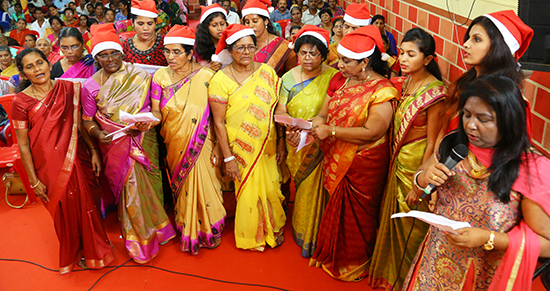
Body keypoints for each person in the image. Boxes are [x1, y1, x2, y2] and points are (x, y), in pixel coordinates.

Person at [403, 75, 550, 291]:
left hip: (484, 274)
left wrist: (488, 238)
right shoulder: (454, 144)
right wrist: (424, 178)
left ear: (508, 120)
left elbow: (546, 245)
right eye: (467, 114)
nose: (471, 125)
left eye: (483, 119)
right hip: (434, 262)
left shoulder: (529, 170)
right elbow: (419, 185)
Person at [12, 47, 114, 274]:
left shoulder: (69, 89)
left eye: (39, 63)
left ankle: (94, 250)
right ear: (23, 73)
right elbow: (23, 145)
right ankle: (74, 253)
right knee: (64, 209)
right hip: (48, 165)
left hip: (78, 156)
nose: (37, 69)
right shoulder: (20, 102)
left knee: (88, 203)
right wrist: (34, 181)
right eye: (29, 67)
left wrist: (93, 151)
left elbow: (79, 123)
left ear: (49, 64)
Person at [308, 25, 397, 281]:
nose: (340, 65)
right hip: (337, 157)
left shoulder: (382, 90)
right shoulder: (343, 80)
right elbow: (323, 114)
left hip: (364, 163)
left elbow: (373, 132)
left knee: (359, 217)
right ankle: (336, 256)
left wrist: (331, 132)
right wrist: (316, 124)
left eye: (346, 61)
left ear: (365, 62)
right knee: (337, 210)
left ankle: (356, 263)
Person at [82, 24, 176, 263]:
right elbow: (87, 120)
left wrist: (146, 123)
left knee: (152, 184)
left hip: (145, 139)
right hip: (114, 145)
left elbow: (155, 110)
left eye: (114, 53)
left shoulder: (142, 76)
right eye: (103, 55)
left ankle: (159, 227)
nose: (110, 59)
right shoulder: (91, 86)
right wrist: (96, 133)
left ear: (122, 53)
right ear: (96, 58)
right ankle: (140, 243)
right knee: (131, 189)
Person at [367, 27, 447, 290]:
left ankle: (406, 282)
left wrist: (420, 184)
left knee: (409, 229)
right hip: (396, 164)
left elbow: (433, 145)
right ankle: (387, 278)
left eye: (411, 54)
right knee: (392, 224)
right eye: (401, 52)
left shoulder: (435, 94)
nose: (402, 58)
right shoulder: (403, 83)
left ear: (427, 59)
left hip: (415, 171)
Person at [209, 24, 286, 251]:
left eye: (250, 47)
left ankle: (272, 227)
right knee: (247, 192)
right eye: (240, 48)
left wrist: (281, 141)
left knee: (272, 188)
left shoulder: (268, 73)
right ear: (230, 51)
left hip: (267, 145)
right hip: (239, 147)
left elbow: (275, 113)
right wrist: (228, 158)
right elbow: (219, 123)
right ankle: (252, 235)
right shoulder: (220, 80)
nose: (246, 52)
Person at [151, 25, 226, 254]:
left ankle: (209, 228)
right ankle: (188, 229)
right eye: (167, 52)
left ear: (189, 52)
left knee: (208, 185)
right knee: (181, 187)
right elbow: (156, 111)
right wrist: (145, 122)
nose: (170, 57)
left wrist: (218, 149)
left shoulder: (207, 76)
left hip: (203, 143)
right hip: (174, 144)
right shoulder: (159, 76)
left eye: (176, 52)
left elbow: (217, 116)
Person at [275, 25, 337, 258]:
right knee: (300, 187)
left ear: (323, 55)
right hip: (295, 141)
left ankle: (313, 234)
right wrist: (291, 126)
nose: (307, 58)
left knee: (316, 190)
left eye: (313, 53)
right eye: (303, 52)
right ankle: (301, 231)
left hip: (323, 143)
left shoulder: (333, 77)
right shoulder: (288, 78)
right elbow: (280, 111)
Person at [442, 10, 534, 137]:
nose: (466, 44)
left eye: (477, 39)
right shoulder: (465, 83)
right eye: (469, 38)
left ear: (499, 48)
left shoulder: (508, 100)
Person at [242, 0, 296, 75]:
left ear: (266, 21)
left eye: (255, 21)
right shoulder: (242, 45)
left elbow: (290, 79)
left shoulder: (283, 46)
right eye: (247, 22)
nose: (250, 26)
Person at [121, 0, 167, 66]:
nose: (145, 28)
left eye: (150, 24)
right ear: (133, 23)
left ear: (155, 23)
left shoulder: (165, 43)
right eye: (140, 24)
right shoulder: (125, 47)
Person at [324, 3, 370, 67]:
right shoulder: (331, 49)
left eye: (354, 28)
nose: (349, 32)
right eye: (346, 27)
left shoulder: (370, 51)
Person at [193, 4, 227, 70]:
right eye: (214, 25)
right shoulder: (198, 46)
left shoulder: (231, 42)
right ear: (206, 28)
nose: (219, 28)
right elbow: (193, 69)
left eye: (222, 24)